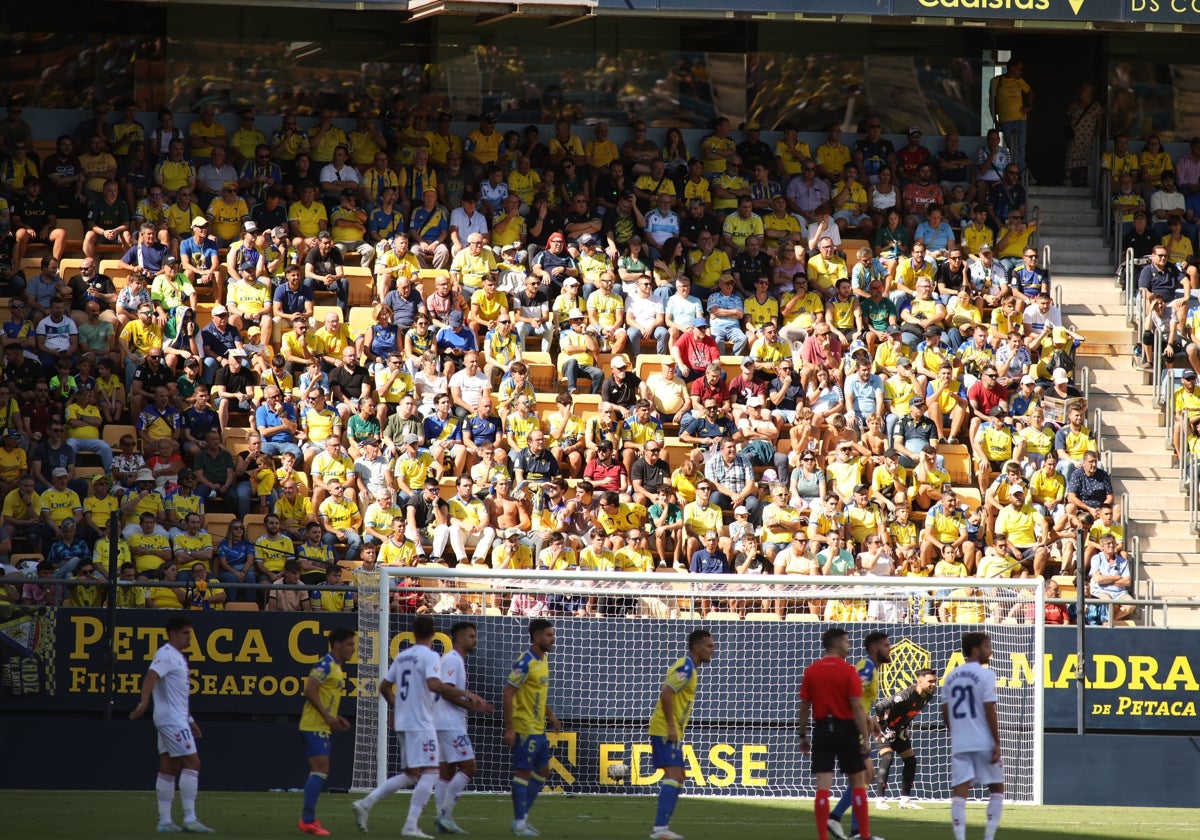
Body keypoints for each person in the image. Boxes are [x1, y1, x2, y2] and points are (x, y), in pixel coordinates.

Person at [352, 615, 468, 837]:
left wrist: (397, 708)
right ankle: (411, 825)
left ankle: (365, 804)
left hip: (404, 721)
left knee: (411, 773)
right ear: (433, 634)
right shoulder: (431, 656)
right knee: (432, 772)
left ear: (413, 633)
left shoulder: (403, 656)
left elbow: (385, 687)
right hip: (421, 722)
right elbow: (434, 684)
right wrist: (463, 693)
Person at [129, 615, 214, 834]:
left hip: (175, 718)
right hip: (171, 721)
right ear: (173, 634)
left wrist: (191, 720)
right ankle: (190, 818)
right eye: (186, 633)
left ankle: (165, 821)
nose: (190, 638)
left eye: (190, 633)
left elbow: (177, 696)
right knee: (193, 763)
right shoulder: (166, 655)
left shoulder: (178, 657)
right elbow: (151, 676)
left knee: (169, 767)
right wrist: (144, 701)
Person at [798, 626, 877, 840]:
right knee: (858, 782)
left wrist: (803, 735)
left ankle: (823, 837)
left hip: (822, 730)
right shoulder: (849, 670)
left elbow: (804, 705)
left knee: (823, 785)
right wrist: (864, 737)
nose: (849, 645)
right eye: (846, 641)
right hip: (846, 729)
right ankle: (864, 835)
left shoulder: (812, 670)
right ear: (835, 644)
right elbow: (856, 705)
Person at [648, 628, 716, 840]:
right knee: (674, 775)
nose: (712, 650)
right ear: (696, 647)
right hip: (665, 729)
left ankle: (662, 828)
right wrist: (670, 726)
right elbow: (666, 693)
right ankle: (660, 830)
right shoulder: (686, 667)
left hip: (671, 729)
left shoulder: (690, 668)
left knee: (679, 777)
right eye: (709, 646)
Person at [434, 621, 495, 835]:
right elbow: (447, 691)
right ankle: (445, 816)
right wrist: (472, 704)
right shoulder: (453, 660)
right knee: (469, 768)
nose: (474, 640)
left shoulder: (454, 660)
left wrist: (472, 705)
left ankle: (443, 819)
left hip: (442, 721)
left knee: (446, 772)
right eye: (471, 636)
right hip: (449, 722)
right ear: (459, 638)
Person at [503, 617, 562, 837]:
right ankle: (519, 823)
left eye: (553, 634)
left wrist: (551, 716)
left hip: (539, 728)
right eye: (549, 634)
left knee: (544, 770)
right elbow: (508, 692)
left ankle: (522, 819)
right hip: (524, 727)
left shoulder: (543, 660)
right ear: (536, 637)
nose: (553, 638)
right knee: (523, 772)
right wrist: (510, 728)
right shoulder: (525, 662)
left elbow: (538, 694)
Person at [828, 631, 890, 837]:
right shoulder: (866, 667)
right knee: (863, 778)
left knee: (866, 778)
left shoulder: (871, 668)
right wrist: (863, 725)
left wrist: (871, 721)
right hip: (851, 728)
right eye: (886, 645)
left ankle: (845, 824)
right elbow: (852, 698)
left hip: (855, 727)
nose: (889, 649)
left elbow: (859, 701)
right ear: (874, 648)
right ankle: (848, 826)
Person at [943, 631, 1005, 840]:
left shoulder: (950, 676)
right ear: (976, 650)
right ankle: (988, 837)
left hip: (960, 743)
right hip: (983, 741)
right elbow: (989, 709)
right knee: (996, 788)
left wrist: (958, 733)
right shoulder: (986, 674)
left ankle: (960, 838)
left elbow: (945, 713)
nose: (991, 650)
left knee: (960, 793)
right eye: (988, 646)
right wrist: (996, 742)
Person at [298, 626, 357, 836]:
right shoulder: (326, 664)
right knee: (320, 770)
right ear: (338, 645)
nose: (353, 649)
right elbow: (309, 689)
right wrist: (326, 716)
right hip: (314, 725)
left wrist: (335, 717)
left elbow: (323, 696)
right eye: (350, 644)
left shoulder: (337, 667)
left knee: (320, 771)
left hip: (320, 724)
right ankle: (308, 820)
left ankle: (308, 819)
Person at [871, 669, 937, 810]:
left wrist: (905, 727)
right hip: (883, 727)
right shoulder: (906, 695)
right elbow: (879, 706)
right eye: (930, 681)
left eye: (935, 681)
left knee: (910, 761)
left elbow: (909, 713)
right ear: (919, 682)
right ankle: (880, 800)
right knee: (887, 757)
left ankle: (905, 800)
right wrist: (885, 729)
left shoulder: (928, 696)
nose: (934, 684)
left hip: (899, 730)